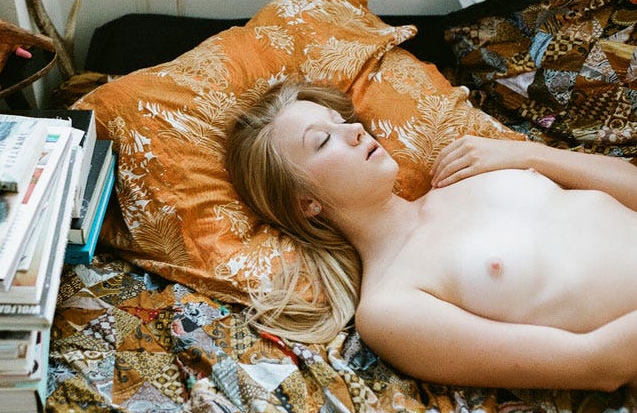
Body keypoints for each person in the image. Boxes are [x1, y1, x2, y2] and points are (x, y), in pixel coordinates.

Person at [225, 81, 637, 391]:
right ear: (305, 203)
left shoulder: (471, 169)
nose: (355, 130)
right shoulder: (390, 306)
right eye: (322, 140)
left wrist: (529, 154)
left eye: (341, 120)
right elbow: (595, 365)